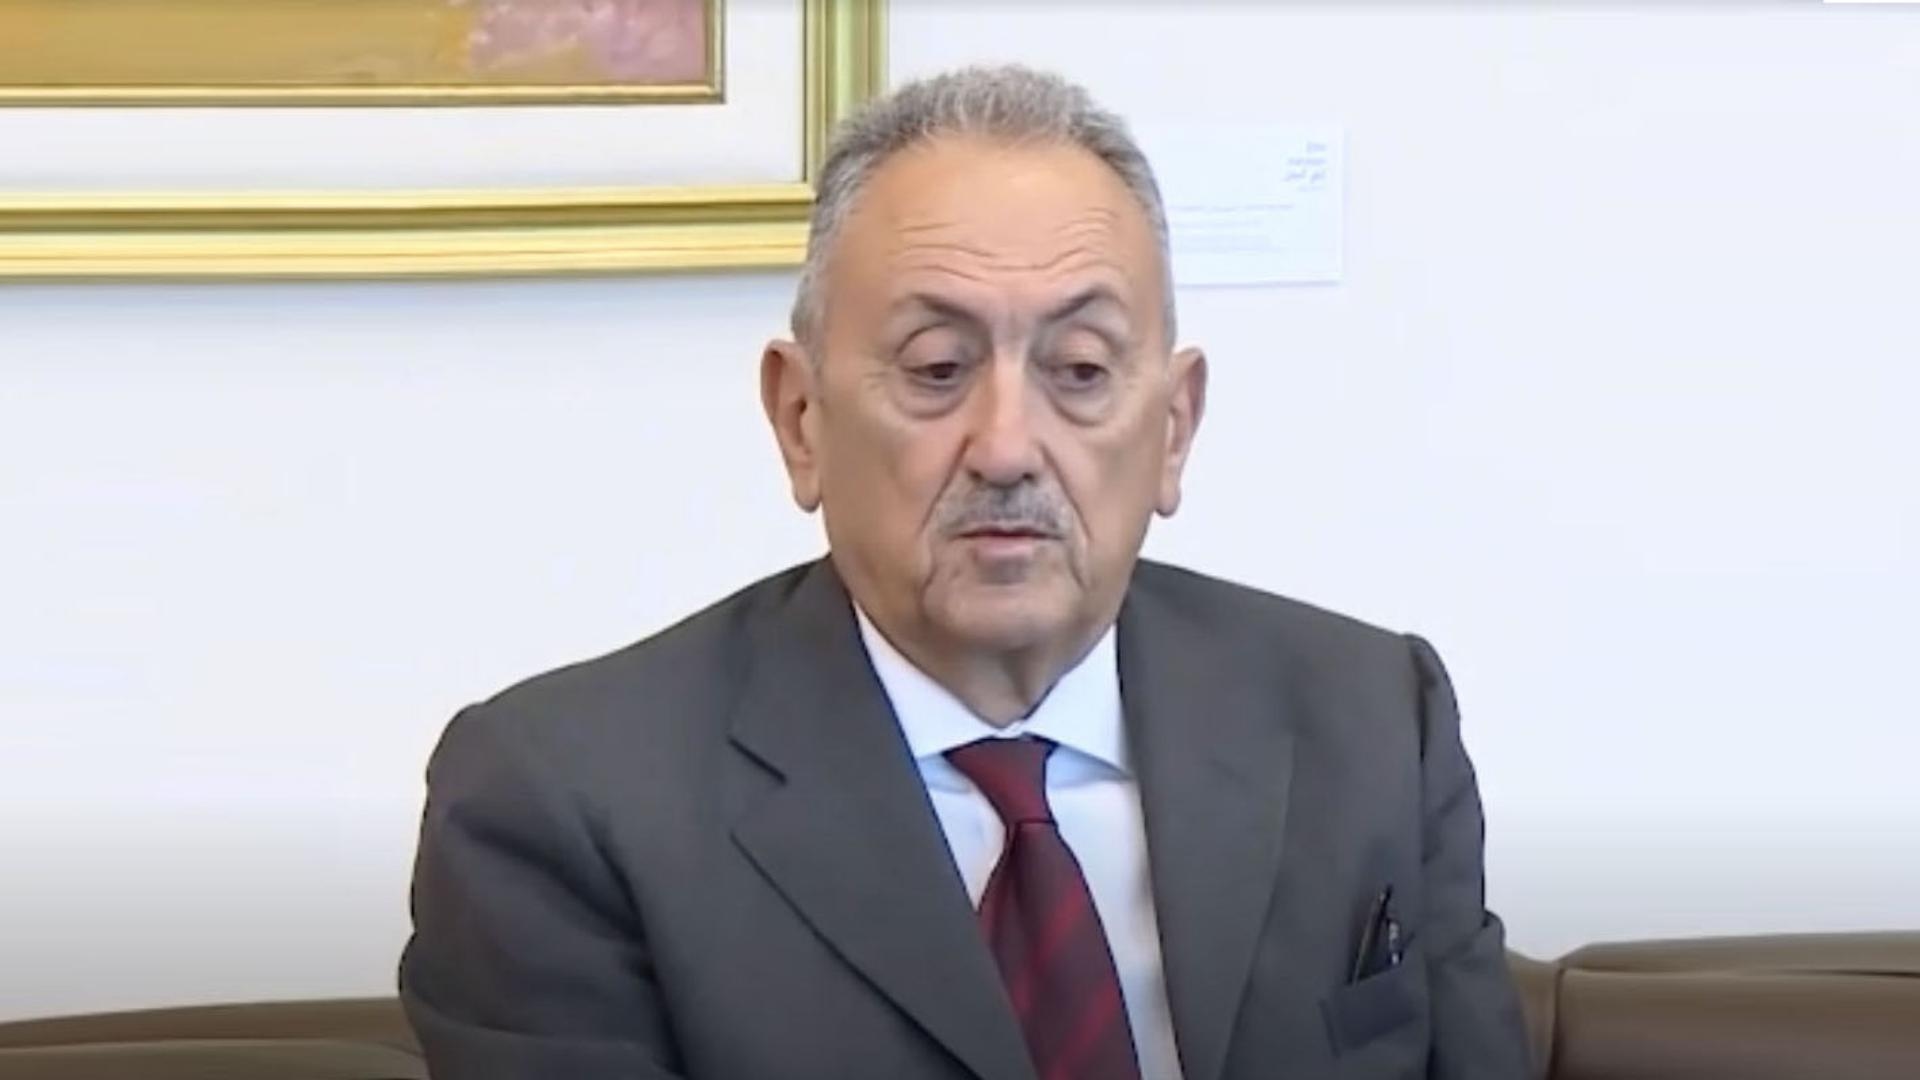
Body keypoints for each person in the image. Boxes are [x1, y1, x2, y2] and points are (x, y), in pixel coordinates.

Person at [399, 65, 1531, 1080]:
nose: (1005, 447)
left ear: (1174, 430)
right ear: (801, 420)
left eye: (1079, 369)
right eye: (937, 368)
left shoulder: (1371, 724)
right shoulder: (562, 804)